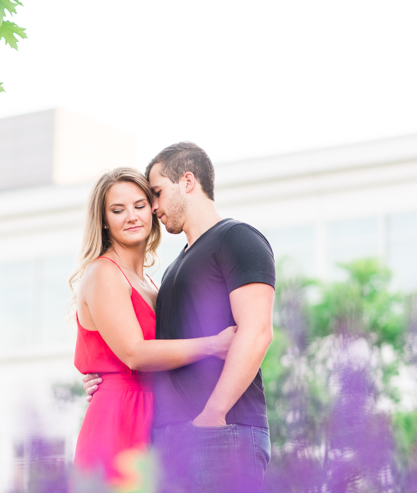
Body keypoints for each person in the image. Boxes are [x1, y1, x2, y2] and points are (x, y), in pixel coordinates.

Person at [84, 143, 276, 493]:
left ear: (187, 181)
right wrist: (109, 378)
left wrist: (212, 416)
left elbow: (257, 332)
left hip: (221, 432)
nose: (152, 208)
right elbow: (140, 346)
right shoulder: (173, 269)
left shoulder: (237, 238)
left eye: (154, 195)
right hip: (169, 439)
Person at [71, 167, 236, 488]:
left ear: (152, 209)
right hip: (119, 417)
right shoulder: (104, 273)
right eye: (117, 210)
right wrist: (213, 345)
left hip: (157, 413)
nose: (131, 216)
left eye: (139, 205)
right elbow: (133, 353)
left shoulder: (150, 283)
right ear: (104, 220)